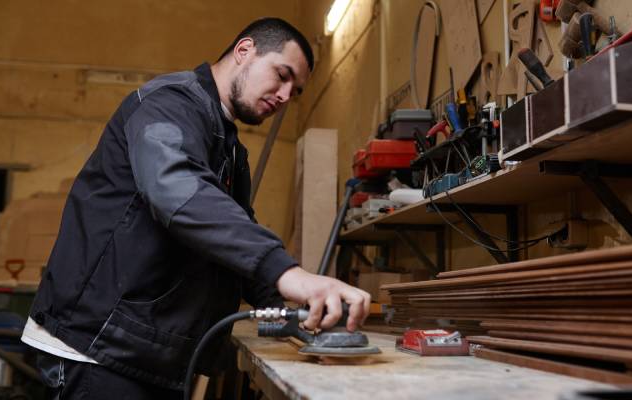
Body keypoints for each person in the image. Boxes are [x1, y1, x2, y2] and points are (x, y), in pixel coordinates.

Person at [21, 17, 371, 399]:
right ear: (244, 51)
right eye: (282, 74)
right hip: (97, 347)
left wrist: (290, 309)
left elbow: (231, 241)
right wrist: (291, 274)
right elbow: (177, 190)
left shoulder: (228, 146)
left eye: (296, 90)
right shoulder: (168, 104)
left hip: (146, 351)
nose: (286, 96)